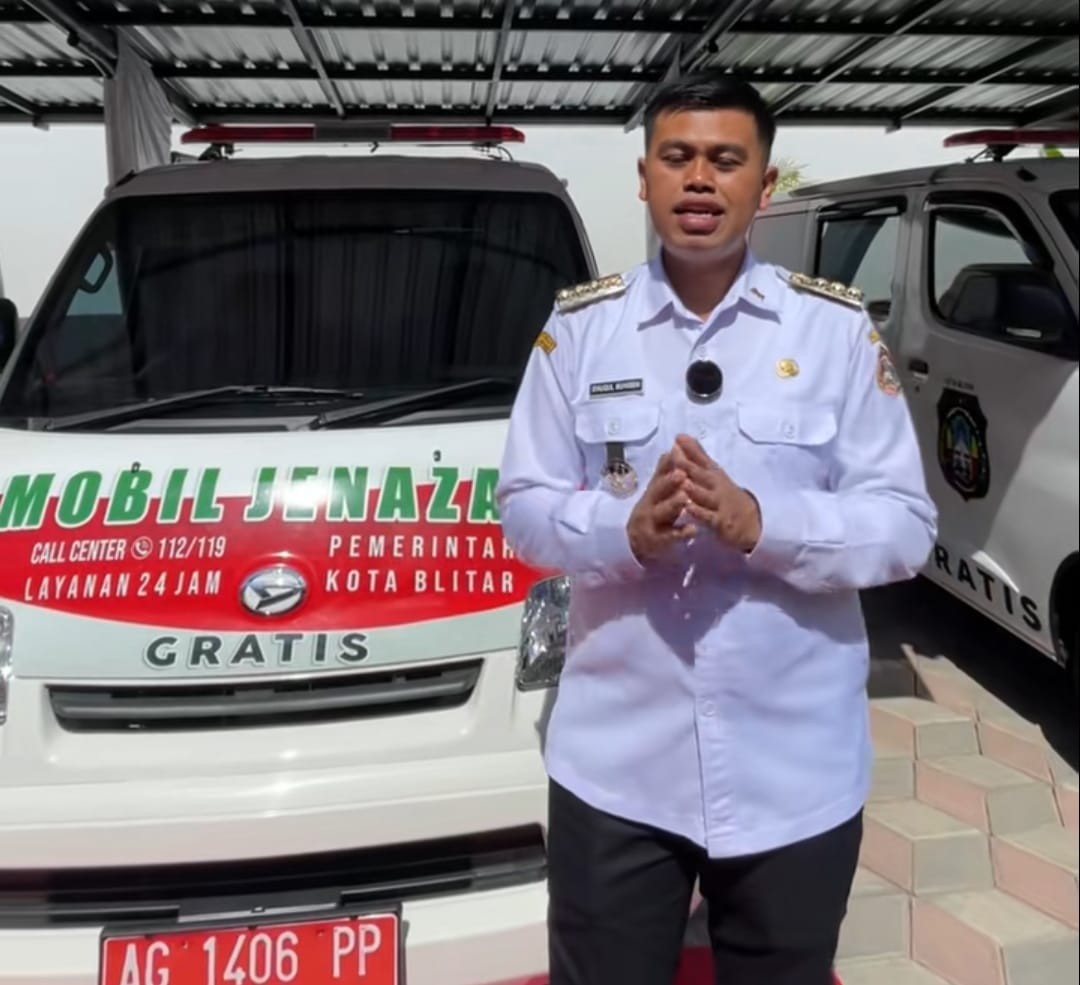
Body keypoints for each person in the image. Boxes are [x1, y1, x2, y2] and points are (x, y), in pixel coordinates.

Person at [495, 71, 938, 985]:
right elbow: (524, 507)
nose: (700, 178)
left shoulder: (833, 331)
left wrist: (764, 522)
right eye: (678, 156)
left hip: (794, 767)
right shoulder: (581, 330)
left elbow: (904, 525)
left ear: (764, 184)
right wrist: (623, 532)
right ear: (645, 177)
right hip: (618, 767)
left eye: (726, 160)